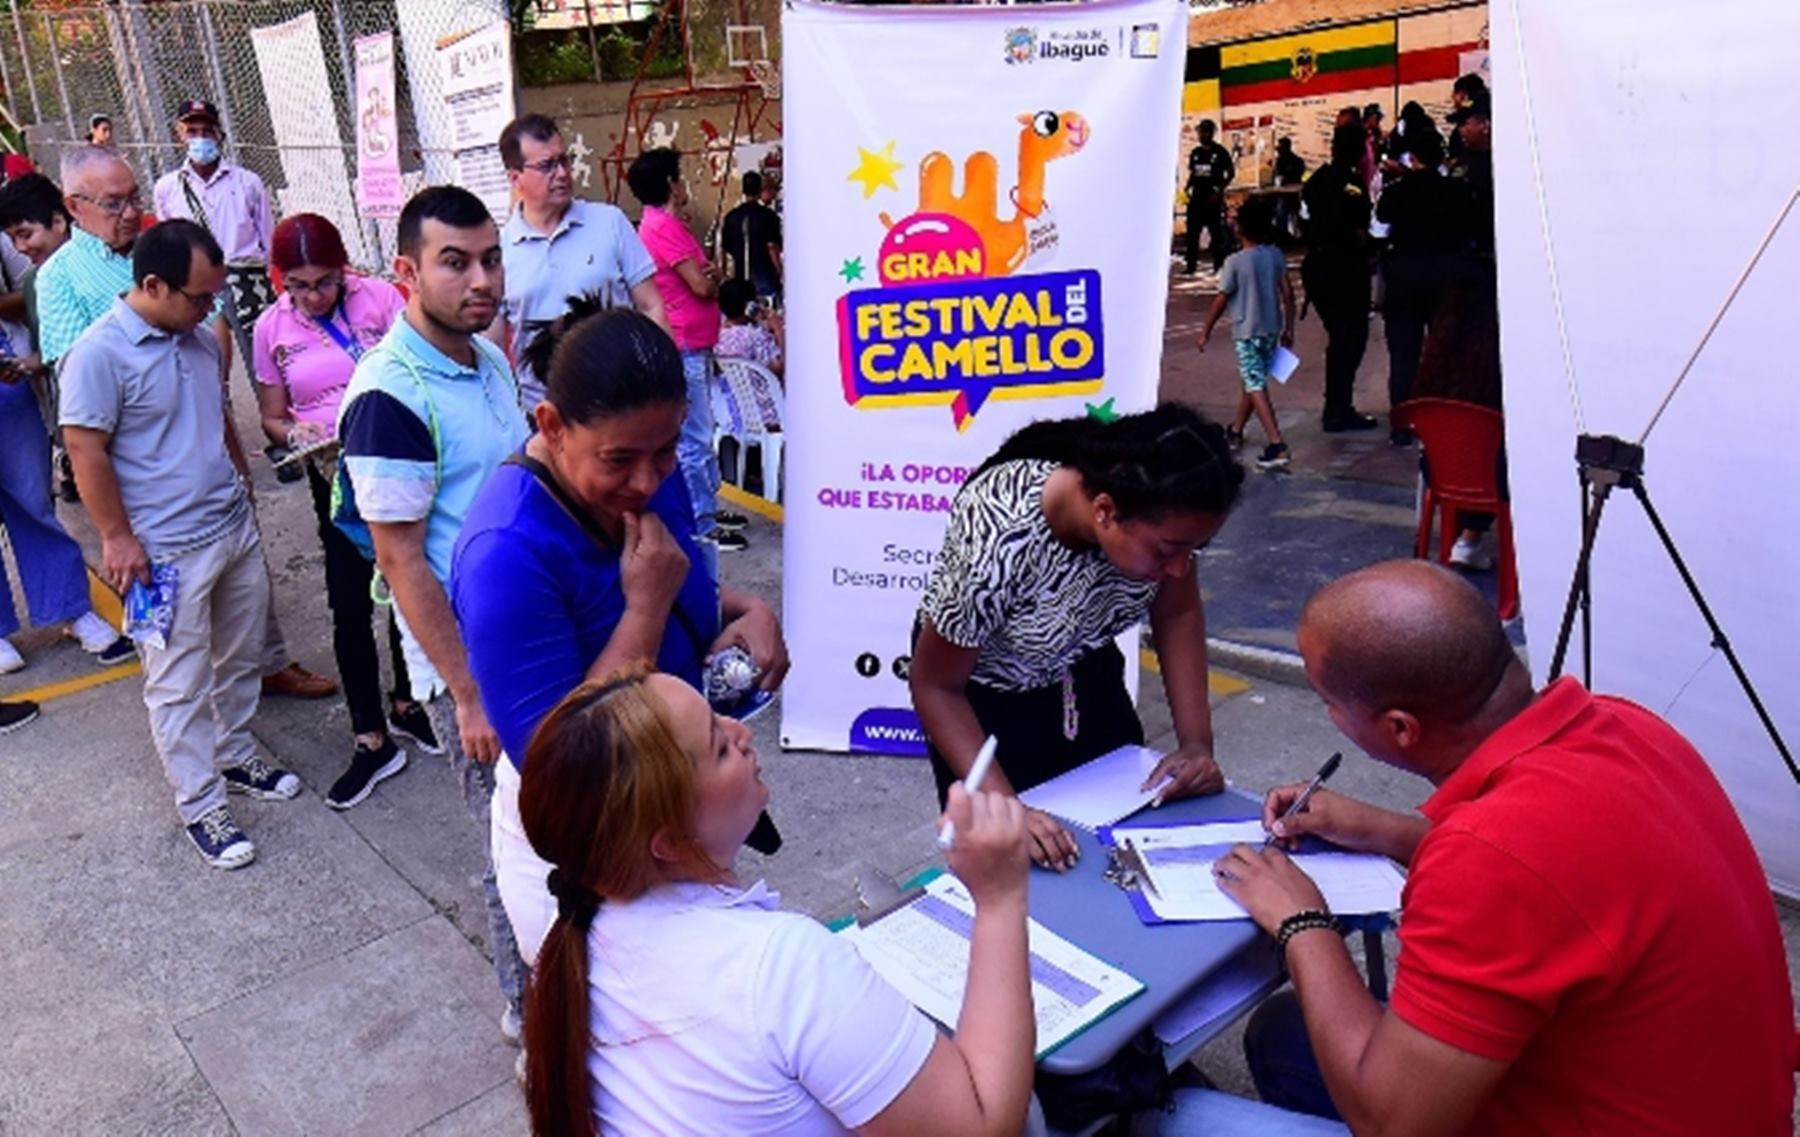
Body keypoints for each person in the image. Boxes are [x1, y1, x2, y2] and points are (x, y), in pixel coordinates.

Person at [1196, 561, 1796, 1136]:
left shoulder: (1488, 861)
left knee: (1178, 1115)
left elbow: (1393, 1125)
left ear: (1400, 728)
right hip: (1722, 1111)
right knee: (1284, 1034)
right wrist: (1380, 829)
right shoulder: (1625, 726)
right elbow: (1550, 870)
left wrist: (1303, 923)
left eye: (1328, 701)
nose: (1327, 714)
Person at [517, 665, 1036, 1137]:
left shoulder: (577, 943)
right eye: (719, 747)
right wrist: (999, 898)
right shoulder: (780, 965)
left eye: (719, 714)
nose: (742, 732)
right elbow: (981, 1127)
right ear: (669, 841)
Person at [451, 302, 788, 958]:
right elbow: (559, 768)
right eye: (619, 459)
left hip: (677, 807)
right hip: (596, 850)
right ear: (551, 425)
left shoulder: (649, 467)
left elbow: (673, 575)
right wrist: (645, 611)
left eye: (666, 452)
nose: (646, 480)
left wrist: (748, 610)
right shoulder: (505, 555)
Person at [337, 183, 531, 1043]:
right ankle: (530, 1015)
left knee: (557, 831)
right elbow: (401, 560)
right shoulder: (390, 395)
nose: (481, 279)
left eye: (490, 259)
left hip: (530, 640)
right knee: (508, 849)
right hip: (474, 669)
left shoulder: (485, 356)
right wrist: (468, 693)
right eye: (455, 262)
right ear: (406, 272)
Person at [40, 146, 333, 699]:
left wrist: (232, 453)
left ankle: (266, 669)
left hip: (211, 475)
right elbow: (83, 428)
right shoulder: (62, 281)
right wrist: (116, 534)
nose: (130, 212)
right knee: (178, 667)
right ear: (73, 205)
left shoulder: (172, 251)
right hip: (156, 506)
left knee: (245, 603)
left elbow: (213, 330)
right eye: (113, 203)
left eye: (133, 197)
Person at [59, 220, 304, 869]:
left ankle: (234, 750)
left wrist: (241, 481)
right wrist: (117, 538)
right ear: (152, 285)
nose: (210, 308)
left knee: (240, 652)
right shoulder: (97, 355)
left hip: (230, 528)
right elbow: (85, 448)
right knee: (176, 680)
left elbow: (217, 413)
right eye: (199, 297)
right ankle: (201, 803)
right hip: (160, 555)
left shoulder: (196, 337)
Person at [910, 404, 1242, 872]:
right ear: (1104, 511)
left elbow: (1178, 612)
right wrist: (1008, 808)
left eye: (1195, 549)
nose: (1179, 568)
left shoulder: (1157, 513)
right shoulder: (1000, 540)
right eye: (1169, 550)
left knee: (1123, 831)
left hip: (1082, 667)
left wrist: (1195, 746)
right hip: (983, 698)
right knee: (1015, 860)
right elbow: (936, 686)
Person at [252, 213, 441, 809]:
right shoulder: (271, 326)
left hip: (393, 461)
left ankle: (409, 701)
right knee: (350, 598)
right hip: (333, 476)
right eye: (298, 286)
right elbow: (271, 417)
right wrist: (295, 434)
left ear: (344, 270)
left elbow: (421, 369)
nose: (313, 297)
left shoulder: (381, 300)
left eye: (324, 282)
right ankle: (369, 736)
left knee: (406, 577)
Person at [0, 176, 134, 674]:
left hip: (9, 387)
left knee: (33, 501)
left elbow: (30, 287)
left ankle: (70, 608)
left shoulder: (16, 236)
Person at [495, 113, 668, 411]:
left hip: (624, 404)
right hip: (544, 413)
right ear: (515, 178)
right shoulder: (500, 250)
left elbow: (652, 306)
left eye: (564, 160)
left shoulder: (609, 222)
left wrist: (664, 384)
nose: (562, 173)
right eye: (547, 166)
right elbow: (493, 346)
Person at [627, 147, 747, 555]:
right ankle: (702, 522)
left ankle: (707, 507)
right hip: (685, 344)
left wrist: (710, 275)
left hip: (693, 342)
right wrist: (712, 280)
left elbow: (701, 275)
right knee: (695, 436)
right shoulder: (663, 227)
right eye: (678, 177)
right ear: (669, 184)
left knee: (700, 431)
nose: (683, 184)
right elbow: (702, 285)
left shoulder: (662, 225)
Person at [152, 99, 277, 400]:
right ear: (179, 136)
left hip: (244, 279)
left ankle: (272, 418)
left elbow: (267, 239)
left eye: (207, 131)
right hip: (194, 284)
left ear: (220, 133)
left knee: (262, 357)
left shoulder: (247, 183)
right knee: (204, 359)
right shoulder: (168, 189)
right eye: (192, 131)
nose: (201, 138)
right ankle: (218, 415)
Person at [1375, 129, 1470, 445]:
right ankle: (1445, 420)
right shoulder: (1457, 191)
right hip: (1446, 280)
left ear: (1411, 158)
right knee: (1445, 351)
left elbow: (1380, 223)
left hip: (1403, 280)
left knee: (1404, 355)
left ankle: (1402, 424)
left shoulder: (1396, 192)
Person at [1197, 195, 1295, 471]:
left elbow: (1221, 299)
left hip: (1246, 330)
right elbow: (1288, 294)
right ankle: (1236, 429)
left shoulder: (1234, 262)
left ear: (1240, 229)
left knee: (1254, 384)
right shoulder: (1275, 255)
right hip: (1271, 328)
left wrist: (1206, 330)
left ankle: (1277, 444)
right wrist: (1289, 328)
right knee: (1253, 381)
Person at [1300, 124, 1379, 433]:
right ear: (1359, 152)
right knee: (1350, 339)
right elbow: (1363, 225)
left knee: (1339, 337)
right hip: (1344, 268)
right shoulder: (1352, 184)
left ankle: (1336, 406)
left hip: (1317, 267)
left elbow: (1304, 220)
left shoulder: (1316, 180)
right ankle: (1338, 409)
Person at [719, 170, 782, 301]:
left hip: (740, 279)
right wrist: (780, 271)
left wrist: (724, 276)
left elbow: (723, 250)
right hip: (765, 277)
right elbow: (772, 247)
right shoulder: (768, 216)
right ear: (760, 190)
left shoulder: (731, 217)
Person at [1182, 119, 1235, 275]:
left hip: (1212, 198)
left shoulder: (1220, 152)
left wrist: (1219, 190)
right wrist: (1187, 188)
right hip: (1196, 198)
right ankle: (1190, 266)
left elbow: (1230, 173)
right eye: (1200, 132)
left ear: (1211, 133)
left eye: (1205, 132)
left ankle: (1218, 266)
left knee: (1216, 234)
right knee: (1192, 233)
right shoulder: (1196, 153)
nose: (1202, 135)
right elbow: (1194, 173)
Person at [716, 277, 783, 377]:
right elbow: (779, 367)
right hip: (761, 386)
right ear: (750, 307)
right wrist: (778, 330)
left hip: (730, 386)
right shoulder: (755, 336)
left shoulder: (718, 333)